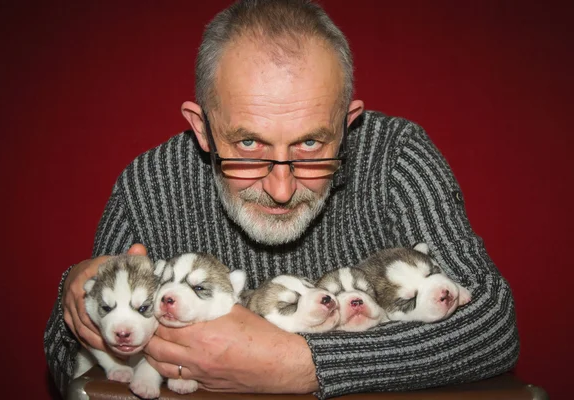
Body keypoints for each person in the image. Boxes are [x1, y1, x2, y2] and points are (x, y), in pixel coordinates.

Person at [44, 0, 519, 398]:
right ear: (202, 128)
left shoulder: (397, 158)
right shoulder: (148, 183)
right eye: (248, 145)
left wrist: (298, 363)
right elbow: (64, 357)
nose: (281, 188)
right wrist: (74, 294)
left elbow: (492, 325)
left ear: (348, 125)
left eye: (311, 144)